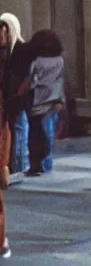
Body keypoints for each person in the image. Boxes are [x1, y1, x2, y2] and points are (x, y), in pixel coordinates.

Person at [24, 30, 65, 175]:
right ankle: (47, 162)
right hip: (54, 99)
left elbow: (31, 80)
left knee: (37, 133)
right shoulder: (60, 60)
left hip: (38, 100)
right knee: (49, 132)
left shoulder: (37, 61)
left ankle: (38, 164)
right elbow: (60, 80)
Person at [0, 14, 29, 183]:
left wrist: (17, 95)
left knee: (19, 130)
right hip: (7, 98)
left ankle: (20, 166)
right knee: (9, 133)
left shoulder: (20, 49)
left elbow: (25, 77)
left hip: (17, 98)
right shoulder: (4, 51)